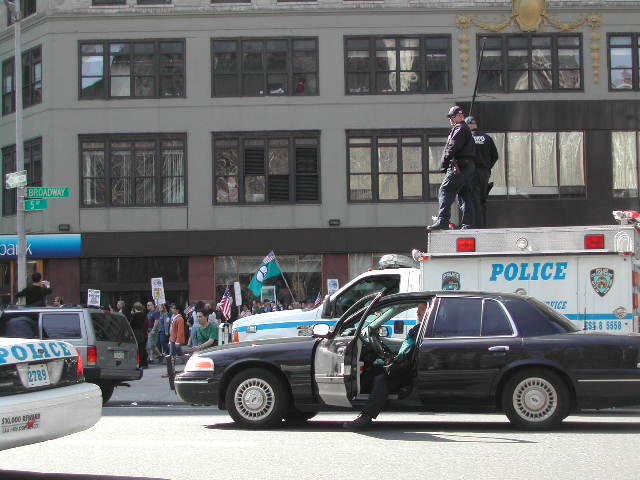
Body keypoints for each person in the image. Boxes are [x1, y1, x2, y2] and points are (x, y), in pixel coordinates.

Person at [344, 302, 430, 429]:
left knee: (381, 379)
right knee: (379, 372)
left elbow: (406, 354)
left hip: (408, 371)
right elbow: (405, 352)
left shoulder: (420, 330)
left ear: (428, 313)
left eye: (420, 311)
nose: (417, 313)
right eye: (417, 311)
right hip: (407, 366)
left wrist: (392, 363)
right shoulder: (421, 329)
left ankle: (366, 417)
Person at [427, 105, 476, 231]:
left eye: (452, 117)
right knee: (464, 195)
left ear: (460, 116)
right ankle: (468, 225)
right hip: (468, 167)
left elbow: (451, 147)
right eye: (450, 117)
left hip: (460, 166)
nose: (450, 120)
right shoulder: (465, 129)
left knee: (445, 190)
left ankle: (443, 220)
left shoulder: (459, 128)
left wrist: (444, 164)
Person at [464, 116, 499, 229]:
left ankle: (474, 227)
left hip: (471, 173)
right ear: (476, 124)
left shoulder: (467, 139)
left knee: (471, 200)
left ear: (468, 125)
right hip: (484, 174)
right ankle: (482, 227)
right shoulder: (487, 138)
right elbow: (495, 156)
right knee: (482, 201)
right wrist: (487, 167)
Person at [130, 302, 148, 367]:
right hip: (142, 332)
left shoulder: (134, 316)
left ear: (135, 308)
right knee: (143, 348)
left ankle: (139, 363)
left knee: (138, 349)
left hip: (136, 333)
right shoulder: (144, 315)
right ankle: (144, 363)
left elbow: (131, 324)